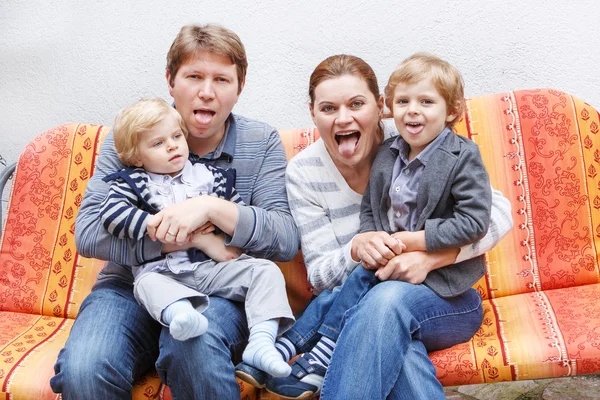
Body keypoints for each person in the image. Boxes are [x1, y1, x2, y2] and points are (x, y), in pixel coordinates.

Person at [236, 54, 513, 399]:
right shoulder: (308, 172)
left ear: (379, 106)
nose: (343, 118)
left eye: (356, 104)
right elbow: (321, 275)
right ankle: (301, 352)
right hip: (370, 298)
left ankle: (301, 351)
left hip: (449, 297)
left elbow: (497, 212)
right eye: (328, 108)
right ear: (312, 113)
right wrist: (357, 247)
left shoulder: (415, 137)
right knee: (392, 336)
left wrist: (429, 255)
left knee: (385, 300)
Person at [50, 24, 300, 399]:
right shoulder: (133, 133)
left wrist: (209, 207)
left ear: (240, 86)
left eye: (221, 79)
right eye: (194, 76)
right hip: (130, 286)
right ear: (170, 80)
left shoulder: (260, 142)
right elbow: (88, 233)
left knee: (193, 348)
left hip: (217, 285)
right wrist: (180, 239)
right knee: (85, 369)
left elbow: (283, 237)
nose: (206, 91)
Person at [99, 97, 294, 377]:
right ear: (137, 157)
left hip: (210, 268)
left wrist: (222, 231)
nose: (172, 146)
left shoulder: (210, 177)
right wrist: (153, 223)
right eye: (157, 143)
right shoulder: (132, 181)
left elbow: (238, 215)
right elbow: (112, 215)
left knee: (265, 271)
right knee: (145, 284)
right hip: (162, 273)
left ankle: (262, 342)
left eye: (177, 136)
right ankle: (180, 315)